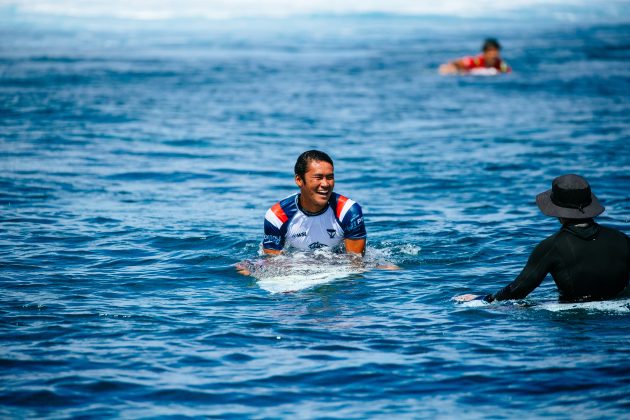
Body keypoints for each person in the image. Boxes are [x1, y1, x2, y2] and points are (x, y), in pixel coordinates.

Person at [456, 174, 630, 303]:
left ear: (557, 210)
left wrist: (485, 299)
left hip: (576, 321)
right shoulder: (622, 239)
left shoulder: (551, 246)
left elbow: (519, 290)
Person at [262, 150, 367, 255]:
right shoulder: (277, 216)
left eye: (330, 177)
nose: (325, 184)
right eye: (318, 178)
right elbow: (273, 264)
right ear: (299, 180)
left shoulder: (348, 211)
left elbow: (355, 264)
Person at [439, 38, 511, 75]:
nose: (493, 55)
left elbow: (508, 73)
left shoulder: (501, 64)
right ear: (484, 53)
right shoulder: (476, 61)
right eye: (490, 52)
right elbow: (455, 63)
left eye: (496, 52)